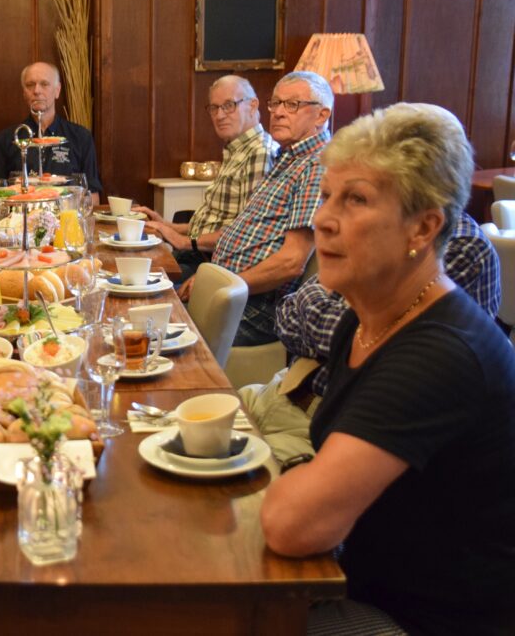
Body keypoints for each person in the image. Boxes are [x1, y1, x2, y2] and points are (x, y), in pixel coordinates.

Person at [261, 103, 515, 635]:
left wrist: (302, 488)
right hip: (356, 578)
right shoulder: (367, 320)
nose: (323, 218)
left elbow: (292, 526)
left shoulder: (440, 352)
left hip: (420, 619)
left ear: (423, 227)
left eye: (356, 199)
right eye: (327, 195)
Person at [241, 209, 500, 464]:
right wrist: (323, 309)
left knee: (221, 496)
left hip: (324, 428)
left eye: (357, 196)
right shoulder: (380, 233)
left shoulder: (457, 247)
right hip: (281, 390)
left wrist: (317, 306)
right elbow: (286, 314)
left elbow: (355, 343)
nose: (322, 217)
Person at [179, 71, 332, 346]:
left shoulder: (315, 167)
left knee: (154, 332)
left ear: (321, 116)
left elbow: (291, 262)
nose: (279, 112)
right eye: (276, 103)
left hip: (253, 308)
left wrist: (223, 287)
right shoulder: (287, 159)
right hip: (228, 289)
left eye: (293, 105)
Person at [134, 75, 279, 280]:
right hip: (197, 255)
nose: (219, 115)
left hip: (215, 265)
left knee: (130, 279)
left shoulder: (260, 153)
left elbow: (246, 233)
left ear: (253, 105)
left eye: (229, 105)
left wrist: (183, 241)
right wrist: (168, 226)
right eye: (214, 108)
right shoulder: (237, 149)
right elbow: (218, 221)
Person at [0, 61, 103, 201]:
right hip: (19, 219)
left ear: (57, 90)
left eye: (44, 84)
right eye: (30, 85)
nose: (37, 90)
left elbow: (93, 195)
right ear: (24, 93)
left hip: (65, 218)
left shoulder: (81, 137)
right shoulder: (5, 139)